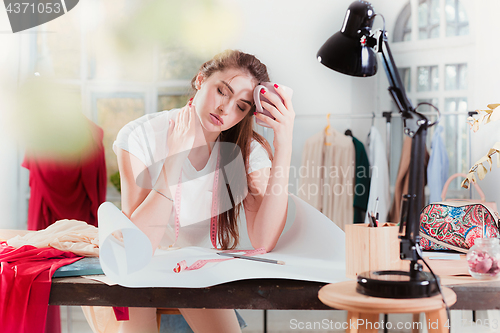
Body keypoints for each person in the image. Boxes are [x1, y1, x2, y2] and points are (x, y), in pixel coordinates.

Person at [113, 49, 295, 333]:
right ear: (200, 79)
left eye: (242, 106)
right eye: (222, 91)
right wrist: (175, 157)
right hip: (141, 268)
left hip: (201, 272)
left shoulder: (248, 151)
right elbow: (137, 247)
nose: (225, 109)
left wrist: (285, 143)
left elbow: (264, 239)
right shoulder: (139, 136)